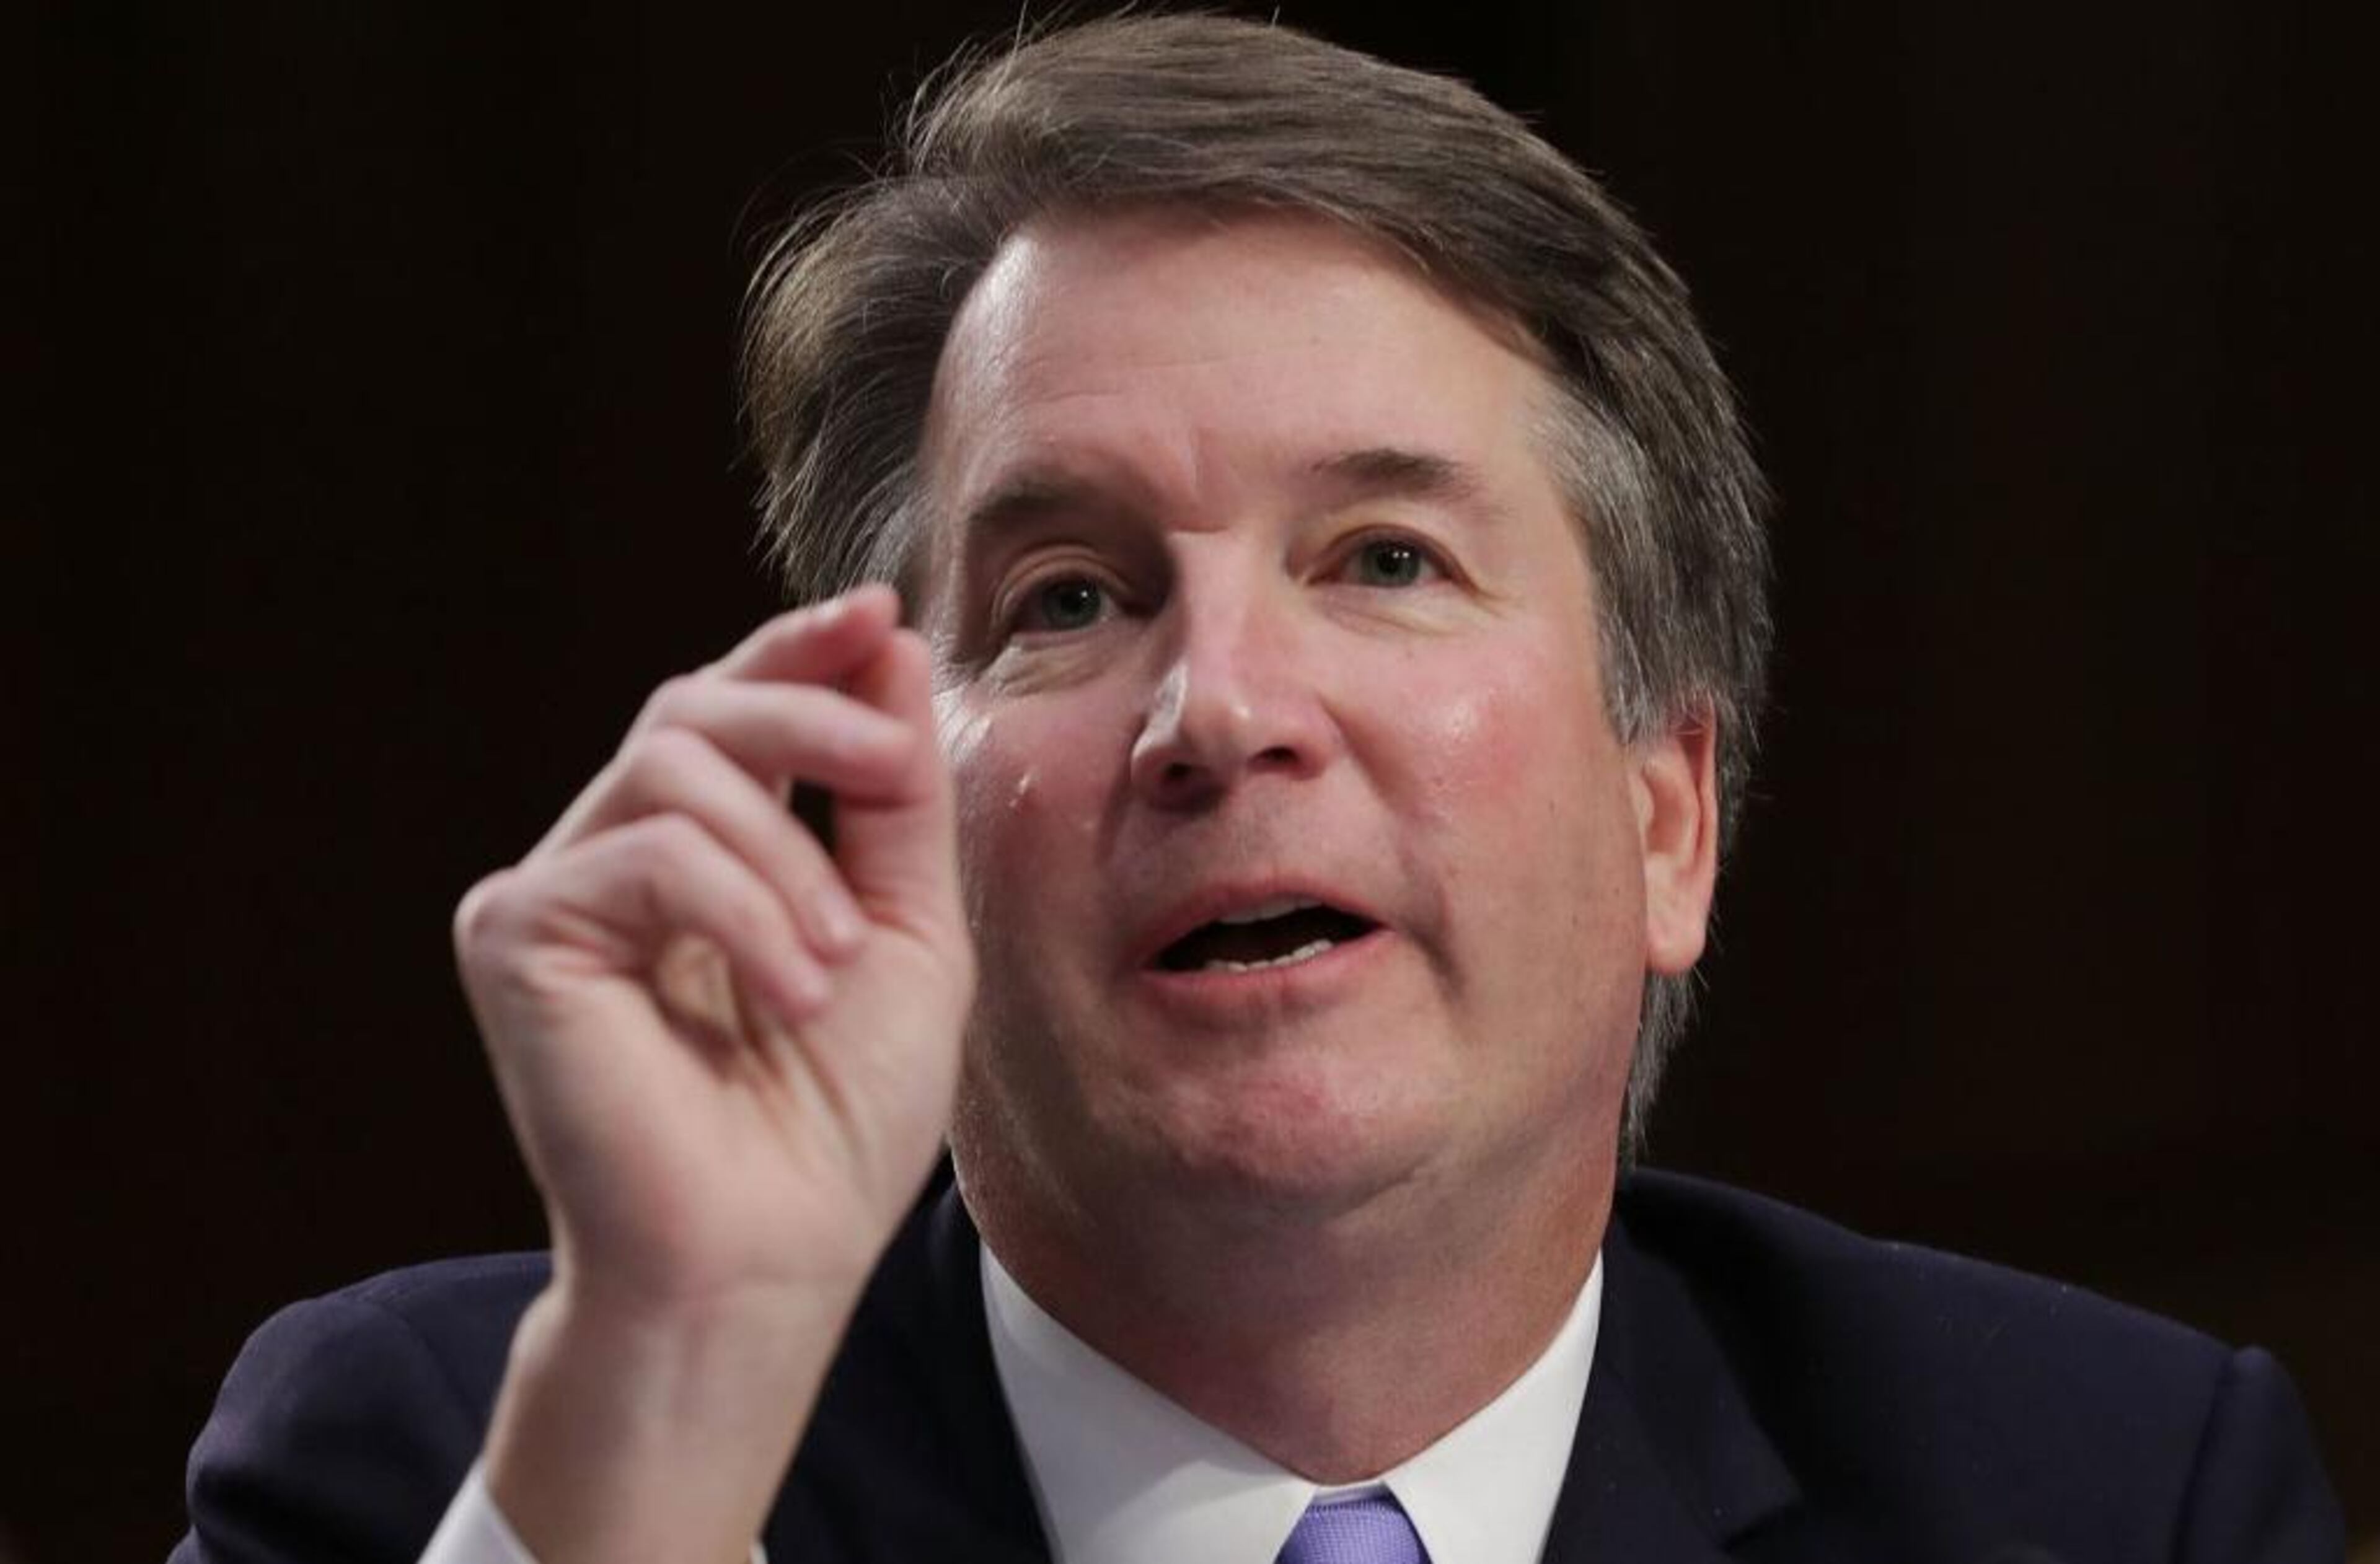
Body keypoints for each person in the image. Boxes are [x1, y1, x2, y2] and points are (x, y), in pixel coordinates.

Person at [171, 14, 2343, 1564]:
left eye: (1382, 559)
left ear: (1670, 816)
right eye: (1071, 592)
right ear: (872, 806)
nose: (1217, 706)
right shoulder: (468, 1467)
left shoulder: (2101, 1494)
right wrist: (672, 1378)